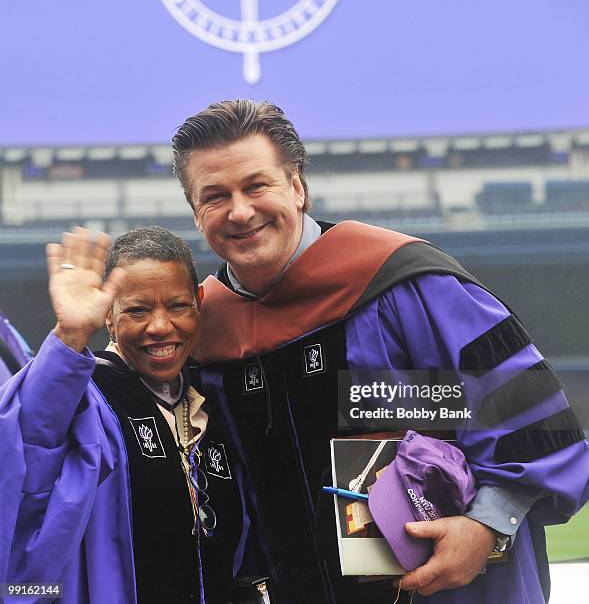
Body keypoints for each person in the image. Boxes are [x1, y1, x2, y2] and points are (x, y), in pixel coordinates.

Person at [170, 99, 589, 604]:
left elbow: (532, 425)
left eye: (257, 185)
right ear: (197, 213)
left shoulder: (406, 286)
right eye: (215, 196)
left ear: (297, 187)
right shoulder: (204, 332)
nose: (240, 210)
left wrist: (486, 528)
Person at [0, 226, 251, 604]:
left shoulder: (213, 400)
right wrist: (69, 338)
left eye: (178, 305)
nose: (160, 327)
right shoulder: (87, 399)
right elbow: (27, 446)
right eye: (137, 310)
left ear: (199, 301)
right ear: (108, 316)